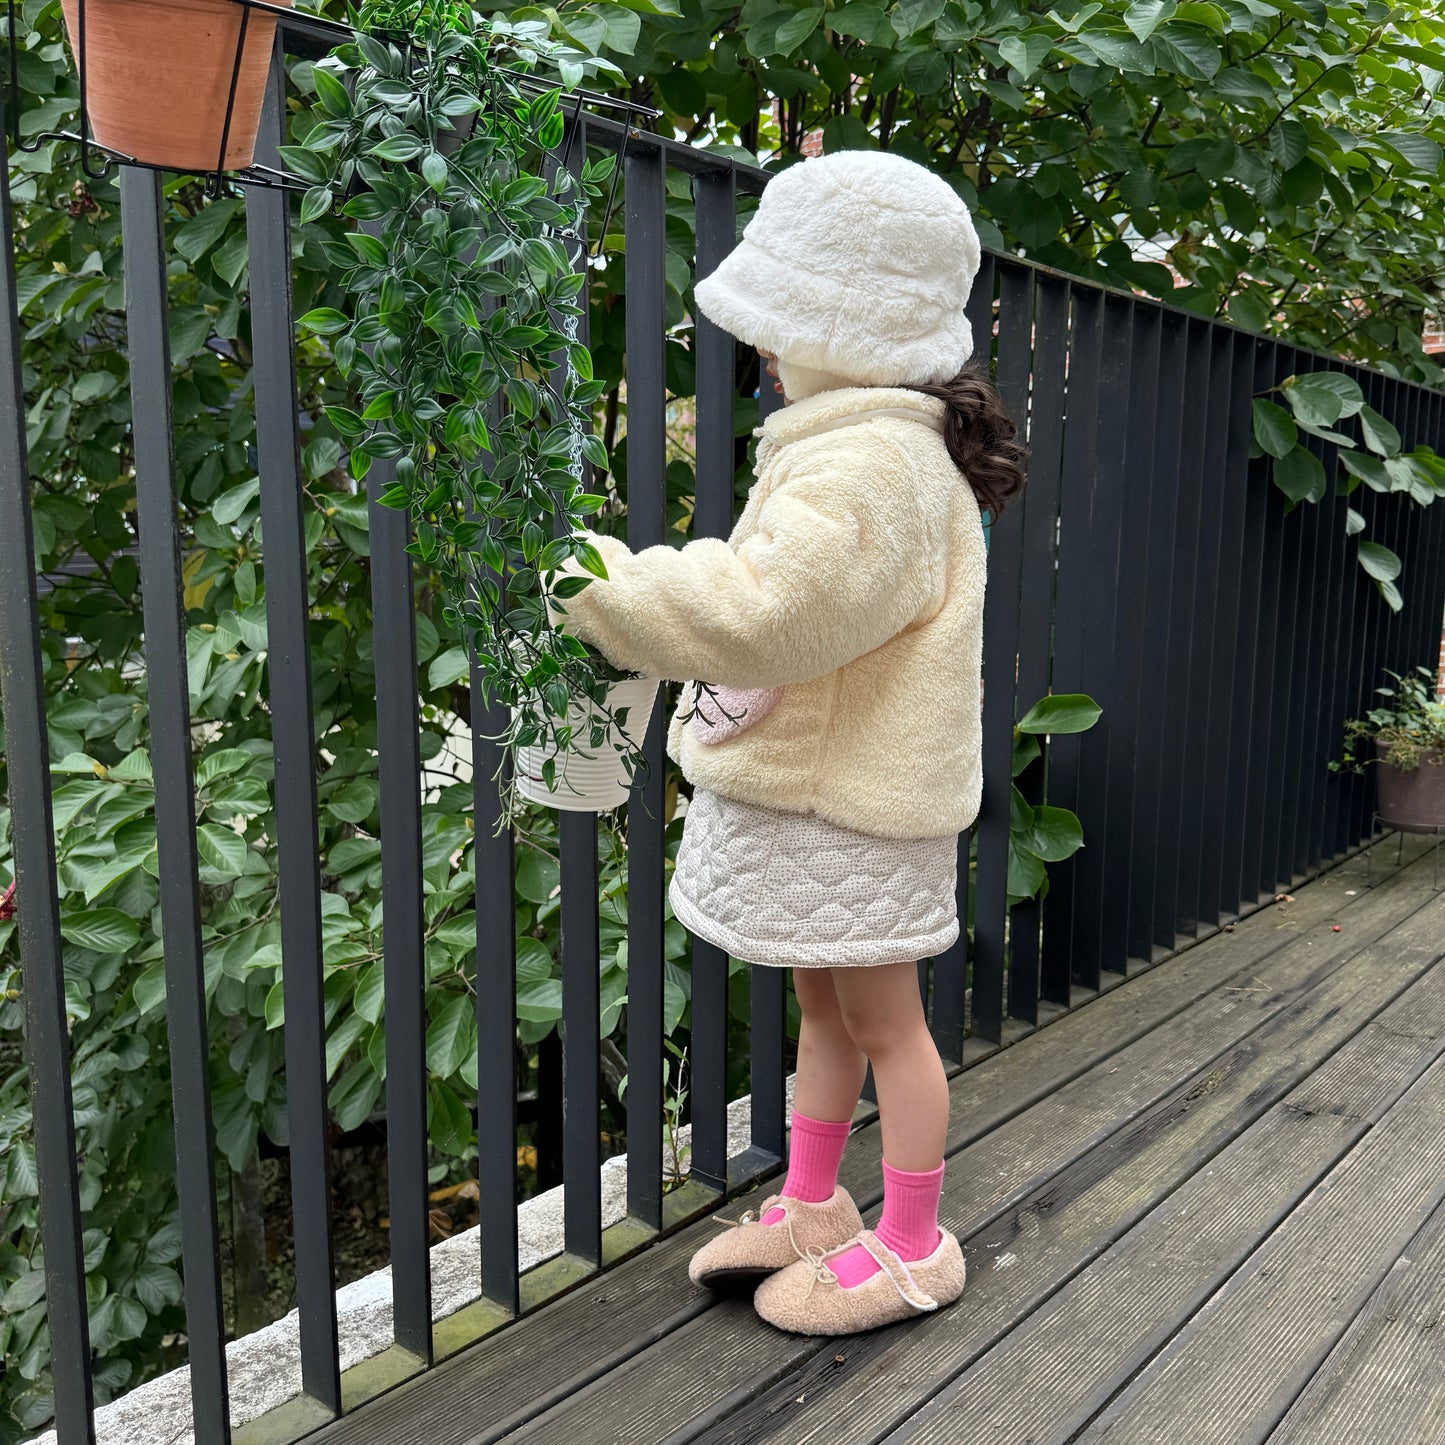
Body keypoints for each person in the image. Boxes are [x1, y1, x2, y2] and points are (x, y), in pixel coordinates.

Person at [546, 148, 1026, 1335]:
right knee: (825, 1003)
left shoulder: (869, 461)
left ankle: (914, 1243)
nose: (762, 347)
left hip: (853, 803)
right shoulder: (861, 443)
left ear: (843, 329)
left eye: (779, 323)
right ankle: (814, 1203)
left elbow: (767, 608)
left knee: (884, 1020)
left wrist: (602, 585)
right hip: (838, 793)